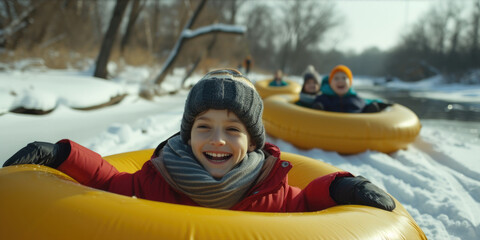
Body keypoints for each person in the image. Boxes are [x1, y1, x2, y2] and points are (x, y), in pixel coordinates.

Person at [3, 69, 395, 212]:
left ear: (254, 142)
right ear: (187, 133)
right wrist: (61, 154)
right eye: (203, 126)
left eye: (234, 129)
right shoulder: (157, 179)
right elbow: (107, 182)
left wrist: (343, 185)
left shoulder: (270, 191)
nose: (217, 140)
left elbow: (307, 200)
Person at [312, 65, 387, 113]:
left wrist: (370, 109)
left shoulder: (357, 100)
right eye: (336, 78)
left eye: (344, 78)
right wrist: (318, 108)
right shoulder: (323, 99)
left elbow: (365, 105)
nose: (340, 81)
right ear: (330, 83)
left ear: (350, 83)